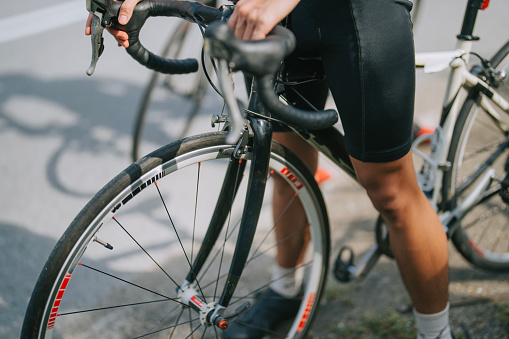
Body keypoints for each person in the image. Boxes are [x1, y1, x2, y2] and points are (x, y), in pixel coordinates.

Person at [87, 1, 455, 338]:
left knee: (391, 193)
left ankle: (437, 332)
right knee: (285, 167)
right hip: (276, 15)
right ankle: (285, 289)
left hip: (358, 11)